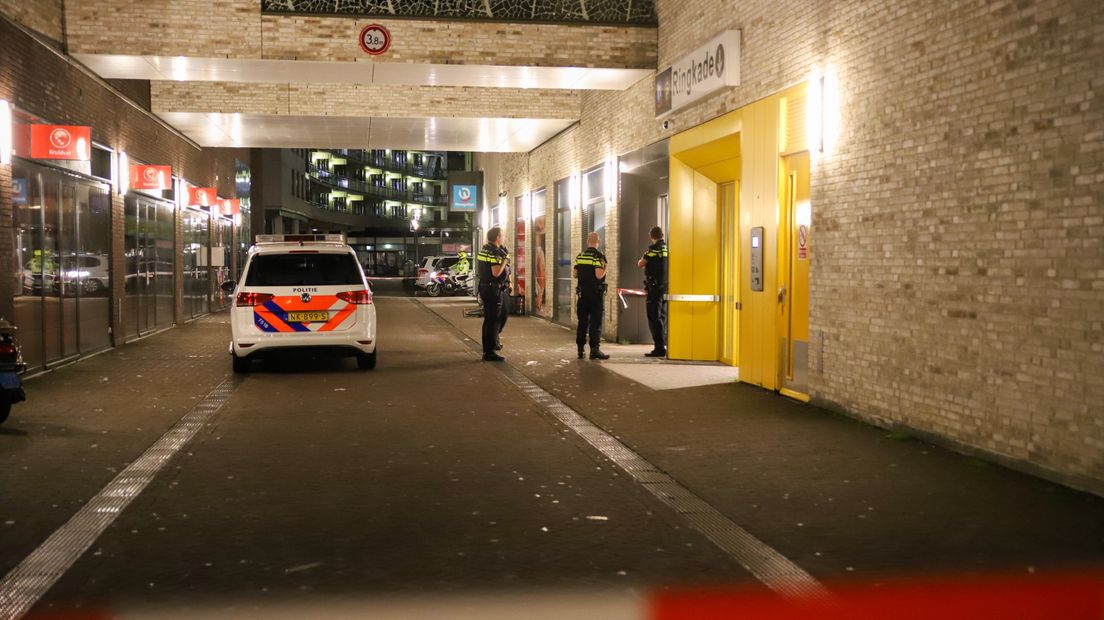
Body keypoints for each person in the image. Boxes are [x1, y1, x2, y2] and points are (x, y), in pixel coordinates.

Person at [574, 232, 609, 360]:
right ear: (598, 242)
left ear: (587, 242)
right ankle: (594, 350)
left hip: (582, 295)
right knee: (595, 323)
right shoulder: (599, 256)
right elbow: (599, 275)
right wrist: (605, 267)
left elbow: (575, 274)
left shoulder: (580, 256)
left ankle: (580, 349)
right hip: (595, 296)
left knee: (582, 322)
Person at [476, 228, 509, 362]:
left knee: (490, 320)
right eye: (503, 235)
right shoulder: (494, 252)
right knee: (493, 321)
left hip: (486, 288)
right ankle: (489, 352)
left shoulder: (484, 250)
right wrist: (505, 261)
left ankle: (490, 345)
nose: (504, 237)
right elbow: (496, 272)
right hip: (493, 290)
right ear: (497, 237)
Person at [638, 226, 668, 357]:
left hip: (655, 288)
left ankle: (659, 347)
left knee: (654, 317)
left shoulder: (653, 249)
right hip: (665, 288)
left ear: (652, 236)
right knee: (662, 316)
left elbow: (641, 263)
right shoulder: (667, 248)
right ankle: (664, 344)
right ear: (662, 235)